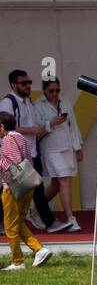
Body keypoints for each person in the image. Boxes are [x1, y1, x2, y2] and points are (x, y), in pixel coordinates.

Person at [2, 69, 55, 230]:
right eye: (23, 83)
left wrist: (44, 127)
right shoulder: (8, 103)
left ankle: (48, 221)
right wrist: (32, 130)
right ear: (13, 85)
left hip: (30, 151)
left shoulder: (28, 103)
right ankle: (46, 221)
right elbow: (6, 128)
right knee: (9, 189)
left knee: (36, 187)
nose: (27, 86)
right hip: (12, 153)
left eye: (29, 83)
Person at [0, 110, 52, 271]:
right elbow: (27, 160)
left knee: (10, 226)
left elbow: (13, 163)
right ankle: (39, 249)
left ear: (1, 127)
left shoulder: (8, 139)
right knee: (18, 222)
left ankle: (18, 261)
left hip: (13, 187)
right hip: (28, 184)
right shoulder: (20, 137)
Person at [34, 78, 82, 233]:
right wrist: (51, 123)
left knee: (56, 184)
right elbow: (37, 128)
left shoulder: (65, 101)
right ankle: (70, 218)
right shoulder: (38, 105)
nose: (55, 94)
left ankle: (34, 212)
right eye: (51, 91)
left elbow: (72, 124)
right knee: (65, 181)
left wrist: (78, 146)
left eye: (57, 90)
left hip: (66, 146)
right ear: (44, 90)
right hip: (51, 149)